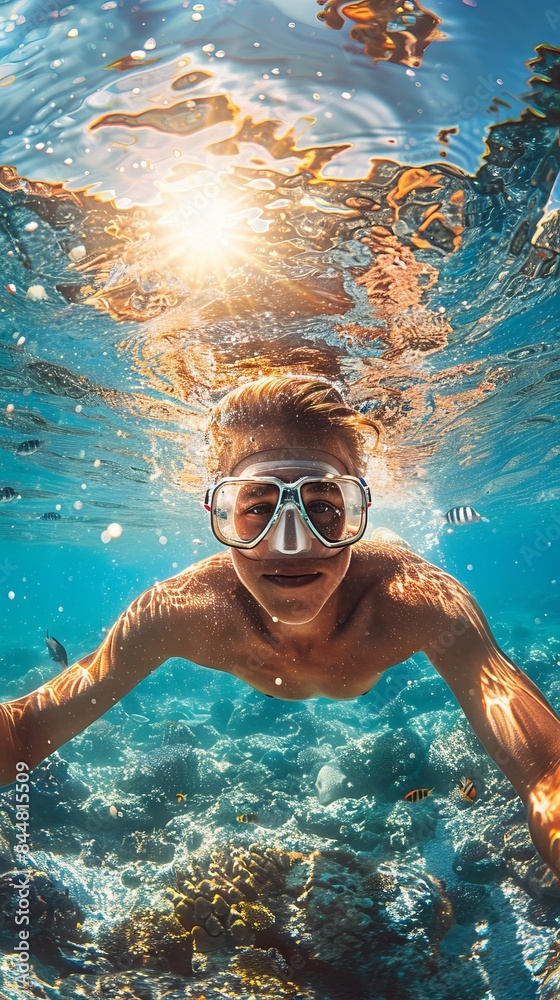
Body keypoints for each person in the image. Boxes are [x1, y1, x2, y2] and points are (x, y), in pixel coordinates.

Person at [1, 375, 559, 876]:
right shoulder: (181, 609)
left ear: (357, 512)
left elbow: (547, 771)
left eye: (323, 505)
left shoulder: (415, 600)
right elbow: (24, 730)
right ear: (220, 515)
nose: (291, 547)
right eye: (257, 505)